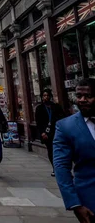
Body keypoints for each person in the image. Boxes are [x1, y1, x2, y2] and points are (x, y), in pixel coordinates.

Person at [53, 78, 95, 223]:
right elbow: (61, 167)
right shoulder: (65, 126)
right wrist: (75, 204)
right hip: (90, 200)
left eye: (88, 96)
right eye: (78, 96)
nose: (82, 100)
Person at [35, 89, 64, 176]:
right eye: (44, 95)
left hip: (56, 131)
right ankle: (55, 168)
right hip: (47, 134)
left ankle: (62, 168)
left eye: (47, 95)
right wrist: (42, 133)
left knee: (59, 150)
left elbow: (62, 118)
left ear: (50, 96)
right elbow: (38, 122)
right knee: (51, 150)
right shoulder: (39, 108)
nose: (46, 97)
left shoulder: (56, 107)